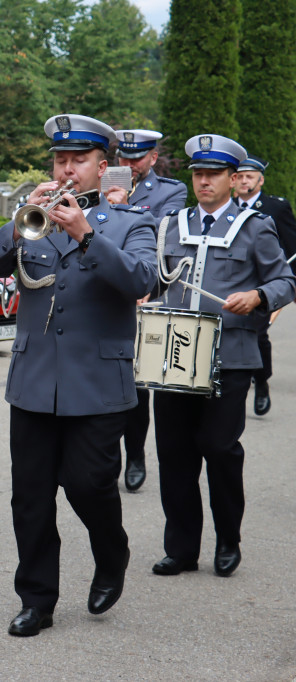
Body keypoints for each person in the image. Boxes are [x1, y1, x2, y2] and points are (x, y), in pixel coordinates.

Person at [0, 114, 158, 637]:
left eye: (78, 160)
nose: (67, 169)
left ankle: (112, 550)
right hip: (34, 380)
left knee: (89, 484)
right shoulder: (37, 217)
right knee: (29, 496)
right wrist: (19, 219)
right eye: (60, 159)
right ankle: (37, 600)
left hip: (97, 383)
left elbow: (142, 279)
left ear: (104, 166)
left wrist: (87, 234)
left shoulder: (131, 223)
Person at [151, 135, 295, 579]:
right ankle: (181, 548)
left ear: (233, 180)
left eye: (213, 174)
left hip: (229, 355)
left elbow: (286, 281)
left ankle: (228, 538)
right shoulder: (172, 224)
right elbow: (156, 281)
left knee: (218, 448)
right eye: (197, 173)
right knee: (174, 454)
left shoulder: (254, 227)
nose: (204, 181)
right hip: (175, 354)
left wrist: (257, 296)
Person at [106, 129, 188, 492]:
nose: (129, 165)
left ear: (153, 158)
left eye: (137, 158)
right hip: (105, 292)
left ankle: (135, 452)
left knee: (138, 385)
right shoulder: (103, 182)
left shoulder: (171, 192)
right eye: (124, 158)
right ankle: (107, 455)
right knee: (106, 379)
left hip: (147, 295)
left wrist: (119, 205)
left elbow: (162, 240)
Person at [232, 155, 296, 415]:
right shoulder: (224, 206)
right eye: (241, 176)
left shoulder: (275, 207)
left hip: (262, 283)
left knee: (258, 334)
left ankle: (261, 381)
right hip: (230, 279)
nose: (245, 180)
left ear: (261, 180)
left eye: (251, 176)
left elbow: (292, 248)